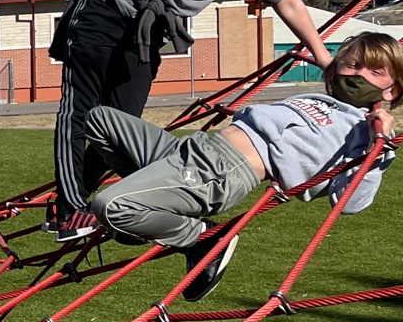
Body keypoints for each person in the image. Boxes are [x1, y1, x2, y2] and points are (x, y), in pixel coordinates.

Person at [9, 0, 333, 241]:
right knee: (81, 106)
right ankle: (70, 208)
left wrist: (324, 58)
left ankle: (121, 201)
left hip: (148, 34)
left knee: (121, 122)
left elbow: (289, 3)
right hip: (106, 6)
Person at [85, 31, 399, 301]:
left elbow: (350, 203)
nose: (358, 74)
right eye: (352, 64)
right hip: (192, 147)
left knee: (110, 205)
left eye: (374, 72)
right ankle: (152, 209)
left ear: (392, 90)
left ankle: (203, 239)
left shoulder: (362, 130)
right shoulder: (319, 99)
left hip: (219, 171)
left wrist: (379, 147)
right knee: (100, 119)